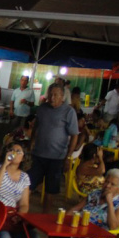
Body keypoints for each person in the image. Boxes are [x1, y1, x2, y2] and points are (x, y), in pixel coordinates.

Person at [27, 83, 79, 212]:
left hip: (57, 157)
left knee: (51, 189)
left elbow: (74, 135)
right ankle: (22, 212)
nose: (52, 97)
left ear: (62, 97)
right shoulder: (42, 108)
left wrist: (68, 156)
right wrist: (32, 141)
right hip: (39, 154)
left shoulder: (69, 111)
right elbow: (37, 126)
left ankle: (45, 216)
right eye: (50, 94)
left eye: (55, 95)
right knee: (28, 184)